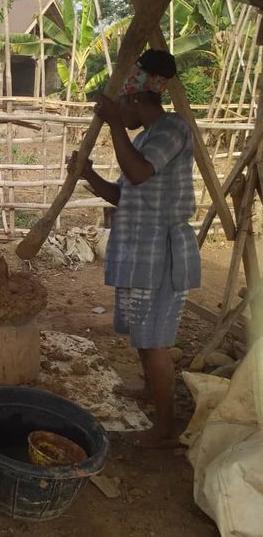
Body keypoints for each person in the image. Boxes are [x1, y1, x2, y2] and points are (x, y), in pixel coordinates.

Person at [70, 49, 201, 448]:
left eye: (120, 107)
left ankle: (164, 426)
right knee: (143, 334)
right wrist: (88, 173)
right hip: (138, 251)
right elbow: (124, 194)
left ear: (136, 98)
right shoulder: (145, 137)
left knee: (155, 339)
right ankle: (150, 392)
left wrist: (113, 125)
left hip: (161, 252)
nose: (119, 116)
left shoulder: (173, 129)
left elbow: (140, 174)